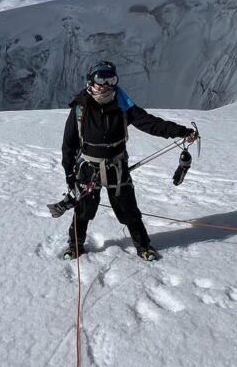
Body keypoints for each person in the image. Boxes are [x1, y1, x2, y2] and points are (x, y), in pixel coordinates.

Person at [61, 60, 196, 261]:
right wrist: (69, 173)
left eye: (111, 79)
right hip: (88, 168)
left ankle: (144, 246)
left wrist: (180, 131)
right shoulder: (80, 108)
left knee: (129, 210)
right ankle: (75, 246)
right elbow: (69, 144)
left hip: (116, 167)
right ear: (91, 81)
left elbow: (150, 123)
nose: (106, 85)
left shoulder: (123, 105)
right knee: (83, 210)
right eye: (100, 79)